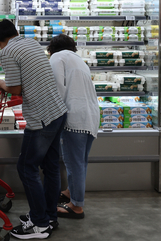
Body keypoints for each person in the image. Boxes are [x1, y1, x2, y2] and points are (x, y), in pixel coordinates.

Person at [0, 19, 67, 239]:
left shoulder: (7, 52)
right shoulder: (31, 42)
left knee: (26, 168)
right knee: (51, 168)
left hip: (41, 117)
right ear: (15, 32)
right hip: (57, 112)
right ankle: (49, 216)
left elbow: (15, 88)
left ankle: (40, 224)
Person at [47, 34, 99, 219]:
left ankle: (76, 207)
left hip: (75, 118)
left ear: (51, 49)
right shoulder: (79, 61)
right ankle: (70, 193)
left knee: (74, 163)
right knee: (80, 162)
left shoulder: (57, 57)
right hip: (91, 117)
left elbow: (56, 89)